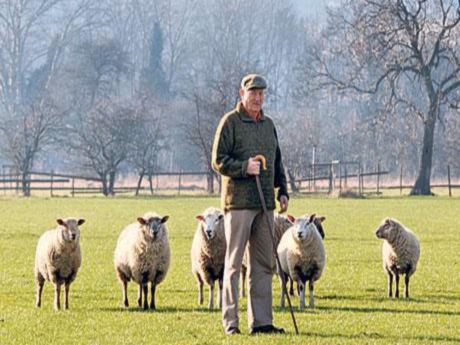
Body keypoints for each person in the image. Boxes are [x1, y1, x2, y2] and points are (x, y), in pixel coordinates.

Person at [211, 74, 289, 335]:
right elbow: (218, 160)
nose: (258, 98)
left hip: (265, 202)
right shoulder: (230, 123)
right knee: (233, 264)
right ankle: (231, 323)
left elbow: (277, 160)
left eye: (261, 93)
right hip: (239, 204)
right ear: (242, 93)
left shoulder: (268, 125)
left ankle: (262, 322)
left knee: (263, 264)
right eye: (253, 92)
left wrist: (283, 191)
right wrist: (244, 167)